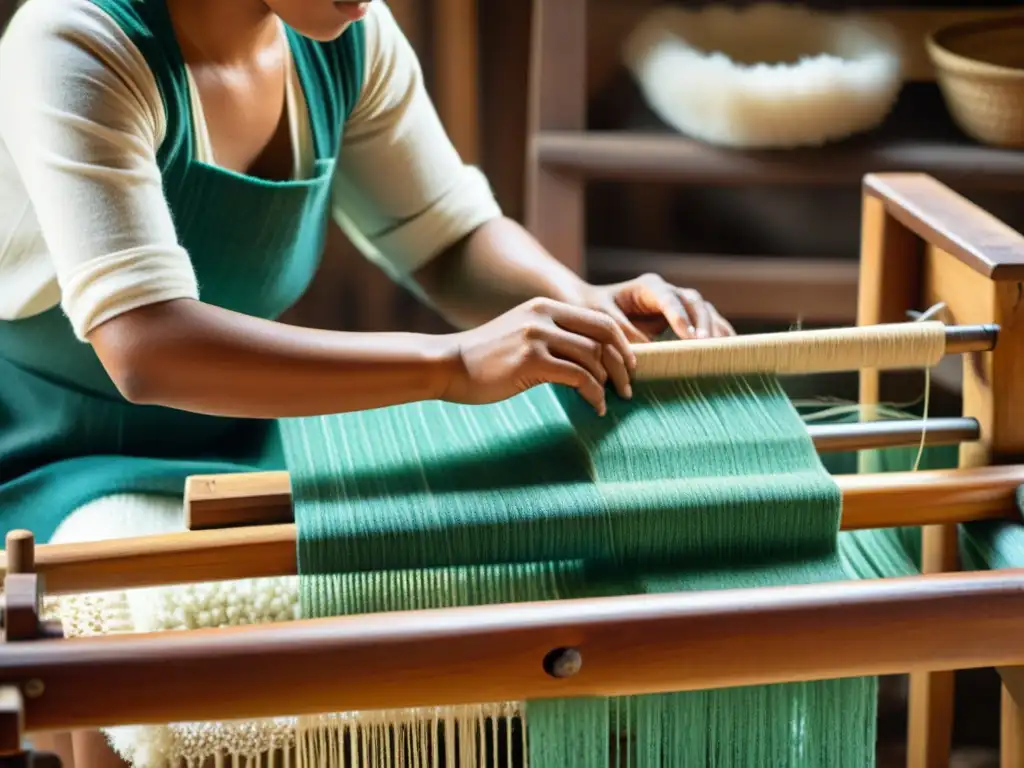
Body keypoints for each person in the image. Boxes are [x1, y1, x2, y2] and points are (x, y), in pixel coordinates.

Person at [0, 0, 733, 763]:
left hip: (249, 428)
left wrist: (585, 308)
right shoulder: (74, 43)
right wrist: (453, 366)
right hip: (49, 452)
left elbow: (449, 240)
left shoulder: (350, 38)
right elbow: (145, 348)